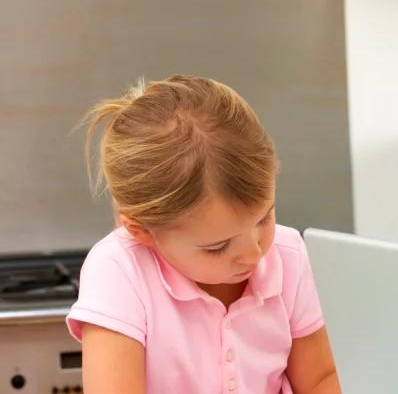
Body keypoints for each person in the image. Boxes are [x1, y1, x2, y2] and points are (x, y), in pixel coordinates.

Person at [67, 75, 341, 393]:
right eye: (218, 246)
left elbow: (320, 380)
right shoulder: (119, 270)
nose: (254, 253)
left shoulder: (289, 253)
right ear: (142, 230)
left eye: (264, 219)